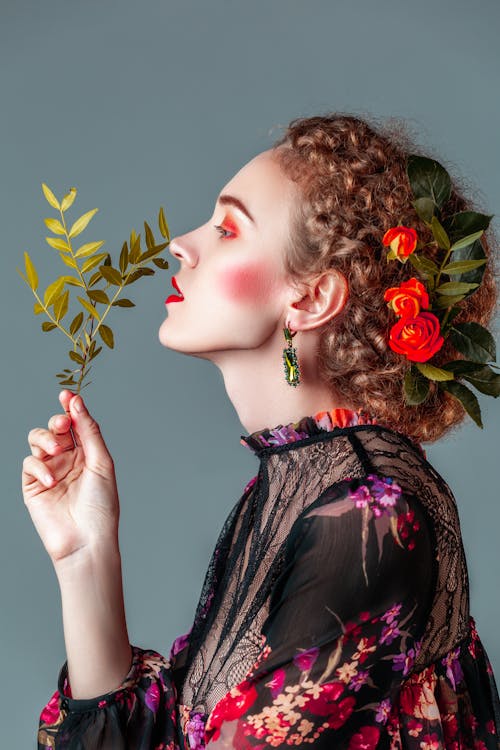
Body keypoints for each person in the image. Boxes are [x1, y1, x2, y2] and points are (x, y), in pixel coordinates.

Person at [25, 113, 500, 749]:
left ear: (310, 300)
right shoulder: (299, 486)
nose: (181, 245)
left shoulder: (370, 511)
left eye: (227, 228)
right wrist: (85, 556)